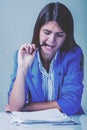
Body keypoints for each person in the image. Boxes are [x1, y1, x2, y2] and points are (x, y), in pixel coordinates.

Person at [5, 2, 84, 116]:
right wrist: (22, 69)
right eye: (47, 32)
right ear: (38, 30)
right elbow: (15, 107)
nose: (52, 40)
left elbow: (71, 103)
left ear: (66, 36)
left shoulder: (73, 55)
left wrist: (28, 107)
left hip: (68, 124)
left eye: (60, 35)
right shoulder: (23, 55)